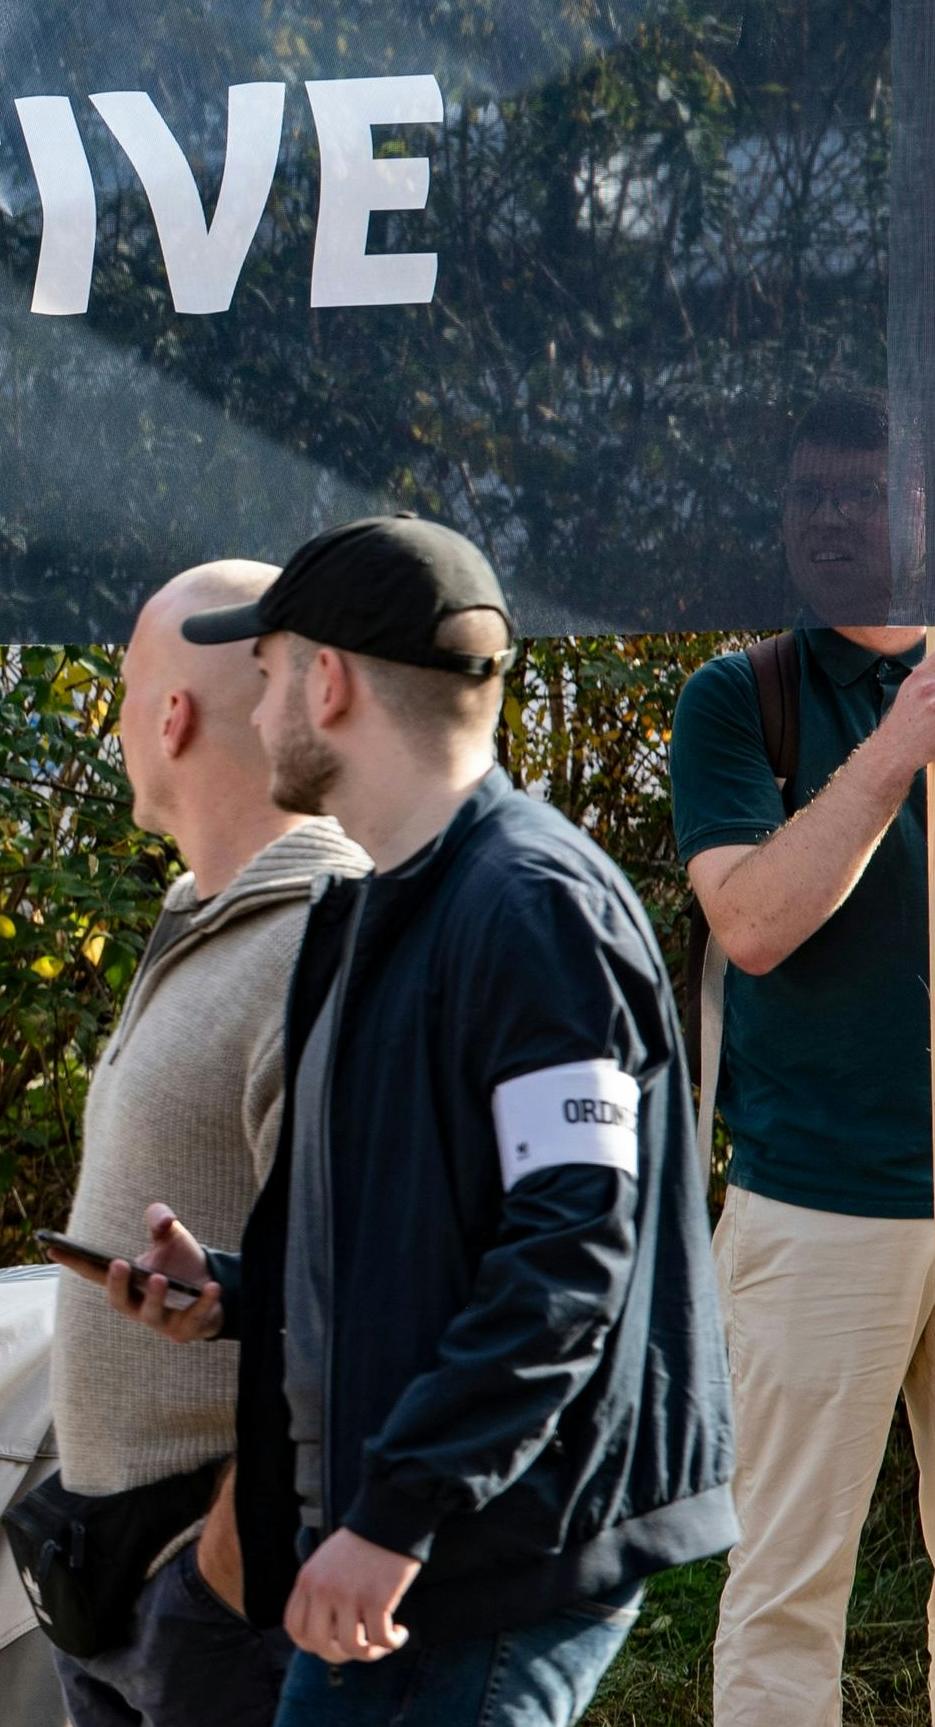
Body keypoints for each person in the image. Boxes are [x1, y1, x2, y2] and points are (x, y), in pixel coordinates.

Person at [96, 514, 734, 1727]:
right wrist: (239, 1292)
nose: (259, 696)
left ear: (326, 683)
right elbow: (430, 1224)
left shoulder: (534, 911)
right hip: (408, 1552)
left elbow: (568, 1253)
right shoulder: (373, 911)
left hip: (477, 1564)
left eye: (270, 669)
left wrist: (395, 1516)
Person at [672, 388, 935, 1727]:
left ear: (927, 508)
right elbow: (751, 921)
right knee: (792, 1589)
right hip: (820, 1206)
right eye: (811, 498)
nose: (834, 521)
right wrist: (896, 752)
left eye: (864, 493)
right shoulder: (747, 698)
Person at [34, 562, 363, 1727]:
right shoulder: (209, 917)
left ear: (169, 716)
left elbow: (357, 1296)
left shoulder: (320, 940)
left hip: (220, 1602)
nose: (119, 717)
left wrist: (220, 1567)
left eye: (127, 688)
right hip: (123, 1576)